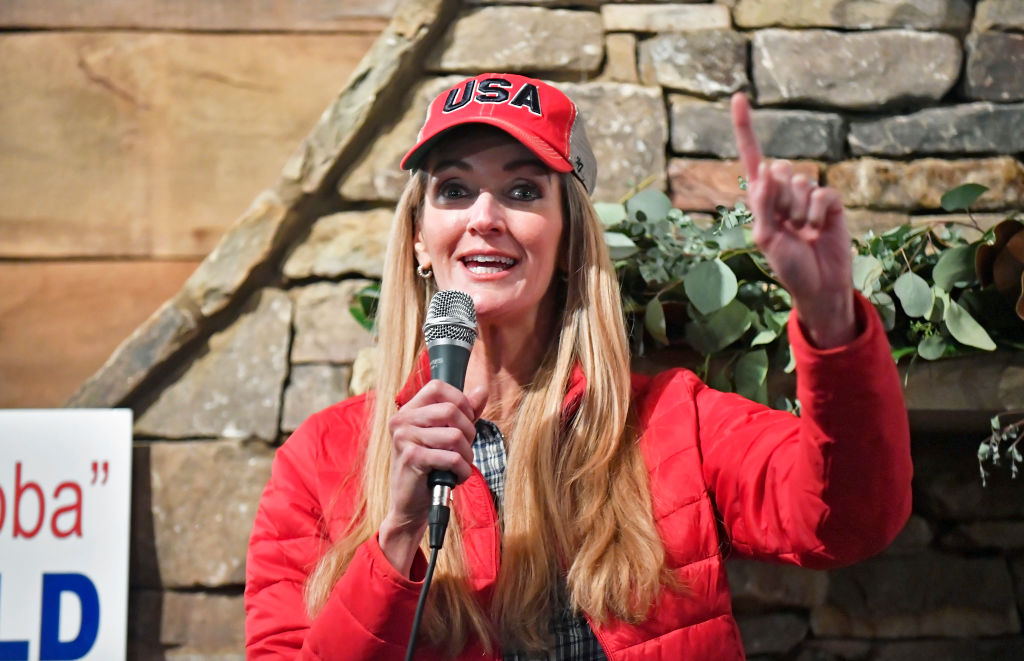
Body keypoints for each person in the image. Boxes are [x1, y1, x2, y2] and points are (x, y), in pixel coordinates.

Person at [244, 72, 912, 660]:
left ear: (568, 242)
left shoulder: (672, 420)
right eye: (454, 189)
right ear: (420, 239)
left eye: (521, 190)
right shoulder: (318, 462)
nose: (484, 217)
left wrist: (829, 320)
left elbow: (848, 520)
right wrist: (395, 534)